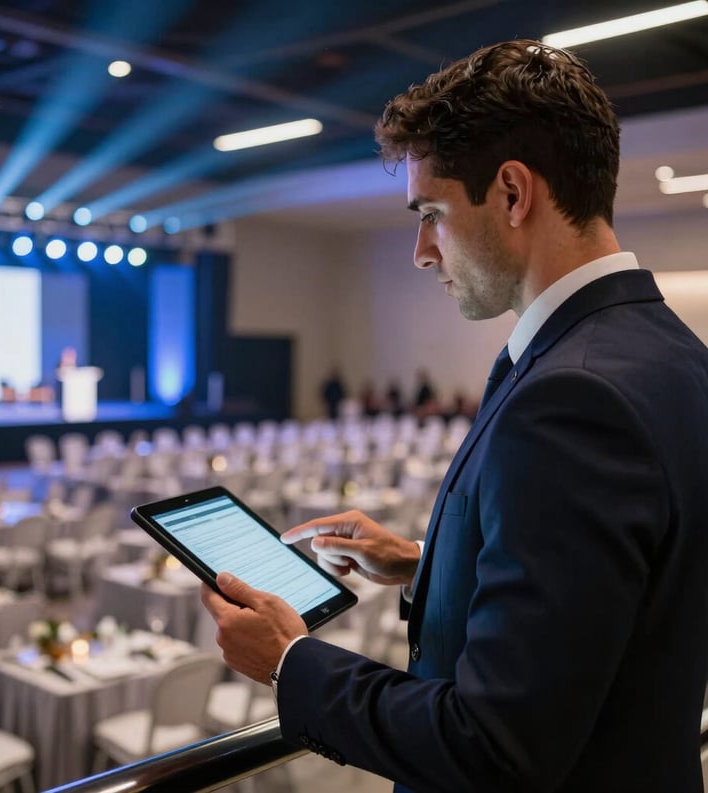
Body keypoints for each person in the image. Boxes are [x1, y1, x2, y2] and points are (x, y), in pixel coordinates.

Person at [202, 39, 708, 792]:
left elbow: (496, 747)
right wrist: (425, 563)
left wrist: (290, 659)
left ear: (511, 193)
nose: (420, 250)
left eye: (432, 213)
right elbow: (619, 597)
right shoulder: (671, 351)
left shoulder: (574, 398)